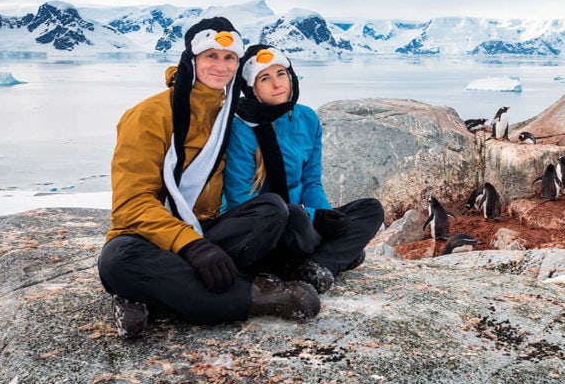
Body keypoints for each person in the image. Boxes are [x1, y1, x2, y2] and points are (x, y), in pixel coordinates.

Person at [98, 17, 321, 339]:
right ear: (192, 59)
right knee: (118, 261)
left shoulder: (227, 113)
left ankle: (153, 293)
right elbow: (131, 204)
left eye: (229, 57)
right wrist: (192, 246)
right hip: (147, 235)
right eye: (211, 56)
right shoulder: (149, 115)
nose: (221, 65)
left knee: (272, 209)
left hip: (208, 229)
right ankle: (258, 296)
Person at [223, 44, 384, 294]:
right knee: (293, 217)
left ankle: (318, 266)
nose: (277, 84)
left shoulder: (307, 118)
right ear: (252, 88)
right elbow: (241, 202)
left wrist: (324, 217)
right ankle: (331, 257)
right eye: (265, 78)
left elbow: (311, 181)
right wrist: (309, 217)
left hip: (302, 218)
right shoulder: (242, 128)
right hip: (268, 225)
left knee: (370, 208)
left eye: (281, 74)